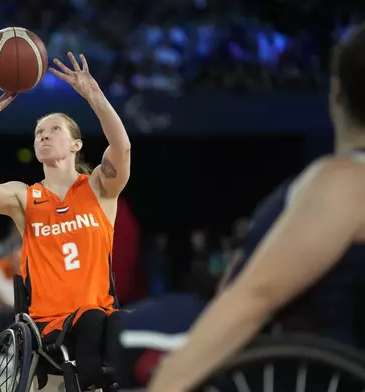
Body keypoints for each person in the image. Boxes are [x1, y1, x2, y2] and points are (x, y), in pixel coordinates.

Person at [145, 23, 365, 391]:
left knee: (102, 337)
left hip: (285, 366)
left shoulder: (344, 181)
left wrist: (165, 385)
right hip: (287, 355)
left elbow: (256, 297)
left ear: (336, 93)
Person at [0, 52, 131, 389]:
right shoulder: (25, 197)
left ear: (76, 143)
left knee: (124, 326)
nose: (43, 135)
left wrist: (95, 96)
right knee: (92, 321)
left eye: (53, 129)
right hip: (50, 324)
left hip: (103, 315)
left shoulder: (99, 188)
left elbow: (121, 148)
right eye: (38, 132)